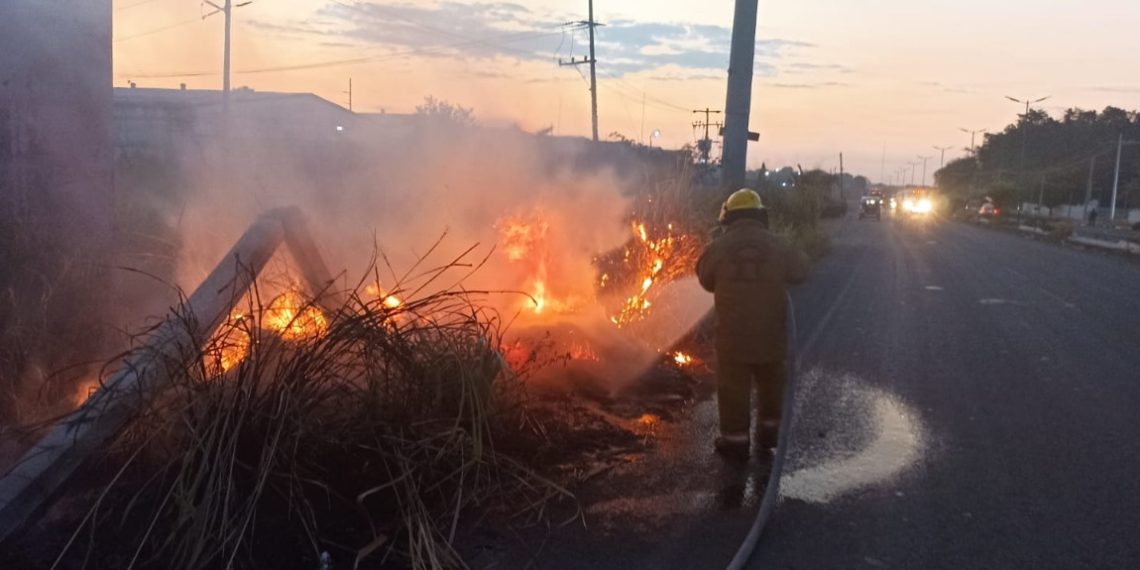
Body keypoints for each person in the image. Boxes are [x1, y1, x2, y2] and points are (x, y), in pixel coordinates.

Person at [696, 189, 810, 459]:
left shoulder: (718, 247)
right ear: (760, 215)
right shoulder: (779, 244)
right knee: (772, 388)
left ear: (729, 217)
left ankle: (735, 442)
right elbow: (802, 271)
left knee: (733, 390)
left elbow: (704, 279)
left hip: (733, 338)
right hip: (771, 336)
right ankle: (769, 436)